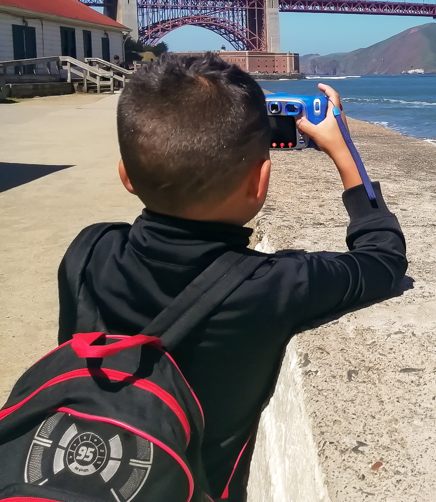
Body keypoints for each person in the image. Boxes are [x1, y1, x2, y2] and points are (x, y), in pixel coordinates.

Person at [56, 53, 407, 500]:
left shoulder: (87, 251)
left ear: (126, 176)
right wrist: (345, 151)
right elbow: (384, 261)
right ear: (259, 183)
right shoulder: (272, 285)